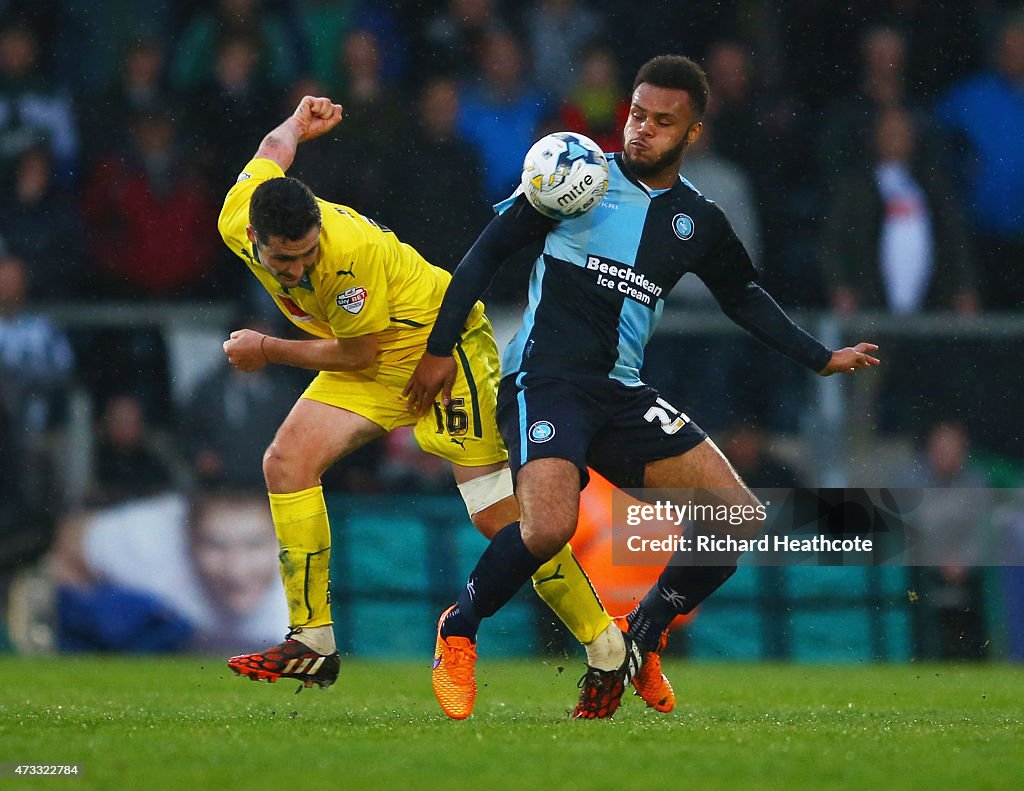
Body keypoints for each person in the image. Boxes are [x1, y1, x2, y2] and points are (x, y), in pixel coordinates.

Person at [405, 54, 880, 720]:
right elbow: (486, 252)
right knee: (550, 523)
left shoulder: (697, 220)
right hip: (545, 378)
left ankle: (644, 632)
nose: (641, 130)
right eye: (636, 114)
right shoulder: (576, 175)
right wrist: (436, 350)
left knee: (734, 515)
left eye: (662, 122)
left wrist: (819, 356)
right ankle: (458, 627)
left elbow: (742, 295)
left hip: (620, 391)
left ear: (692, 134)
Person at [216, 95, 629, 694]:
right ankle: (312, 640)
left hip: (442, 347)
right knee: (286, 463)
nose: (299, 271)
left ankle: (606, 644)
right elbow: (269, 155)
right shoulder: (239, 214)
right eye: (285, 261)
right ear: (253, 236)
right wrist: (296, 125)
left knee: (501, 520)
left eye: (307, 256)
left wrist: (267, 348)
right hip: (376, 357)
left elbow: (357, 353)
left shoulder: (345, 256)